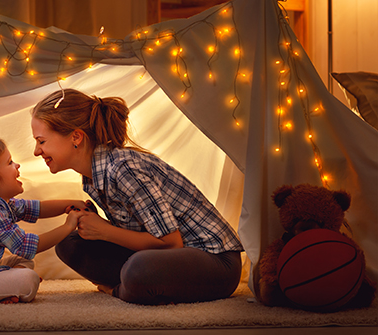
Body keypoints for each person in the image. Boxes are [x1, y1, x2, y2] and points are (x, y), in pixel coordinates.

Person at [30, 89, 244, 305]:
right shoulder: (92, 178)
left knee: (139, 269)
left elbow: (171, 243)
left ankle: (122, 290)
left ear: (76, 137)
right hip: (165, 258)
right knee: (69, 243)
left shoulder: (124, 169)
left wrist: (105, 231)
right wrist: (96, 227)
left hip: (215, 262)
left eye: (41, 141)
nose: (36, 151)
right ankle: (137, 286)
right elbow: (139, 232)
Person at [0, 138, 87, 304]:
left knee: (23, 262)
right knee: (29, 279)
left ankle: (6, 288)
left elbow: (36, 208)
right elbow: (25, 246)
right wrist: (68, 226)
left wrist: (69, 204)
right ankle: (7, 287)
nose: (17, 165)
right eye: (10, 162)